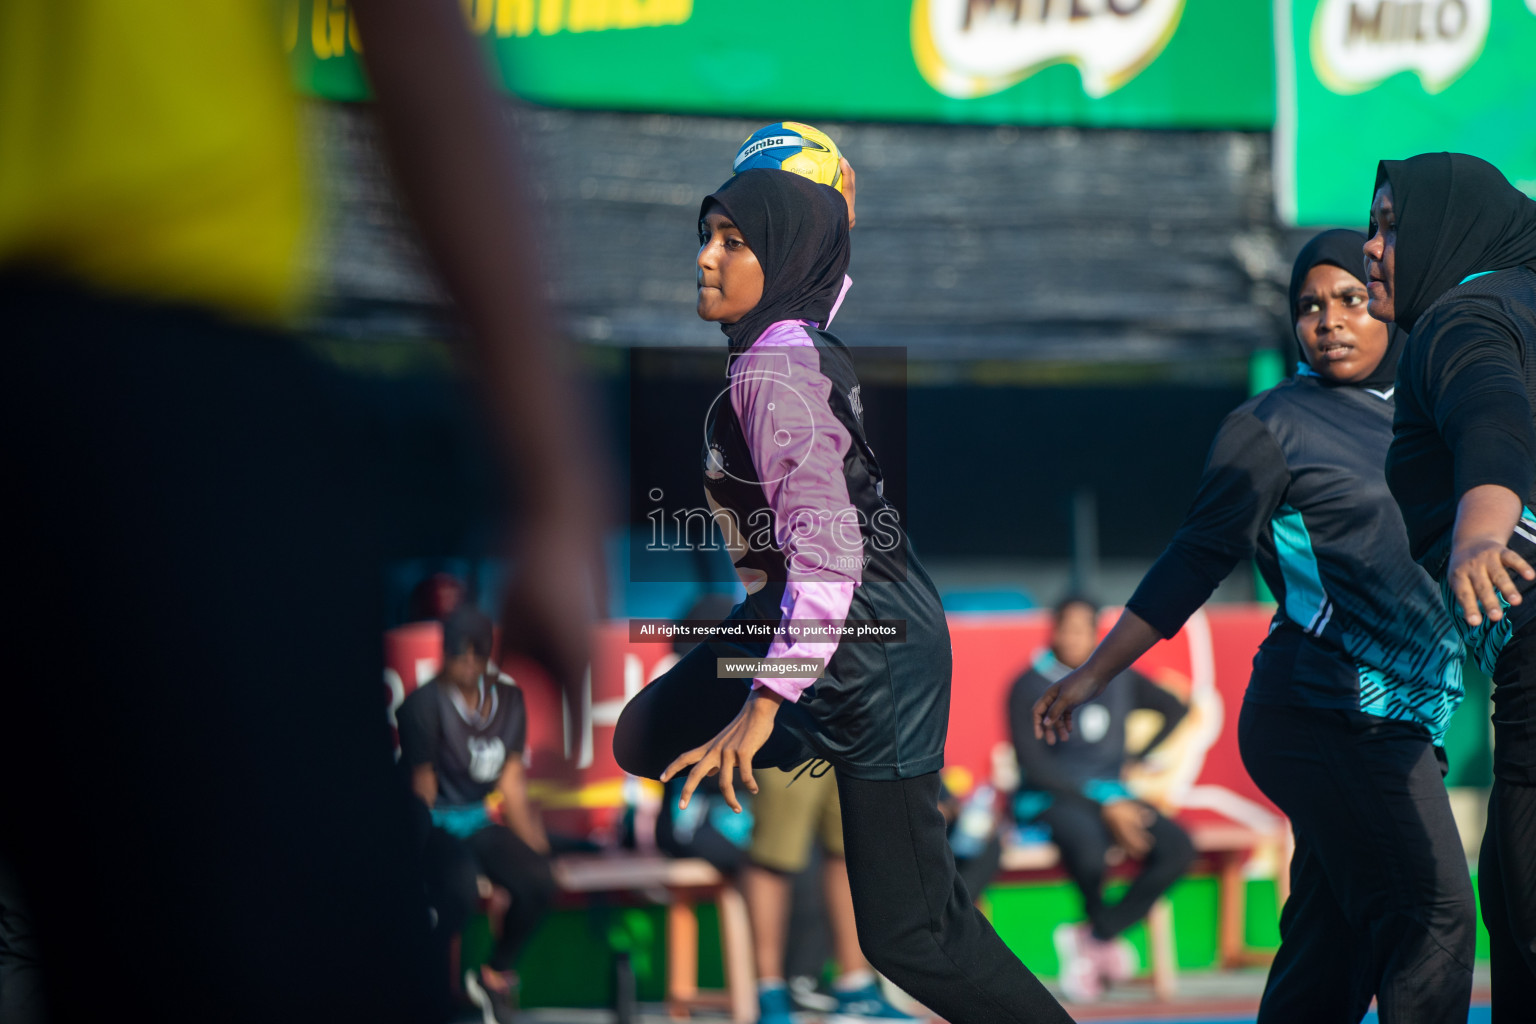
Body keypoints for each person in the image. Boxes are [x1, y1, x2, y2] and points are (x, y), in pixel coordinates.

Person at [0, 3, 603, 1022]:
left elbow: (506, 800)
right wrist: (552, 474)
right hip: (151, 343)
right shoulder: (423, 713)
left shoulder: (486, 707)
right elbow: (412, 37)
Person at [613, 168, 1073, 1024]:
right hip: (819, 627)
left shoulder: (777, 369)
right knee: (646, 735)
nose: (706, 260)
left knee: (912, 936)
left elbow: (829, 558)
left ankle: (801, 722)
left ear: (781, 259)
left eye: (734, 242)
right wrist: (828, 214)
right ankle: (804, 723)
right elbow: (818, 270)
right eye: (705, 237)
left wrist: (762, 705)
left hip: (874, 651)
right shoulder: (785, 342)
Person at [1034, 230, 1474, 1023]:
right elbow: (1192, 562)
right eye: (1310, 306)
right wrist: (1094, 672)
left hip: (1408, 718)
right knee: (1433, 914)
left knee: (1329, 942)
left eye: (1351, 299)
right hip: (1326, 715)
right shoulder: (1274, 426)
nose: (1330, 321)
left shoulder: (1439, 408)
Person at [1367, 152, 1536, 1020]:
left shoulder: (1464, 317)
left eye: (1393, 225)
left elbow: (1492, 413)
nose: (1372, 247)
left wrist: (1479, 533)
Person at [1008, 595, 1193, 1003]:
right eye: (1065, 626)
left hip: (1115, 794)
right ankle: (1098, 940)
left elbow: (1177, 707)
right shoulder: (1029, 684)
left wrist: (1140, 758)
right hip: (1053, 796)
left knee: (1177, 847)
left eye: (1082, 628)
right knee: (1088, 845)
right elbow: (1035, 768)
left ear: (1097, 633)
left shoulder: (1116, 676)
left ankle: (1096, 935)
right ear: (1052, 628)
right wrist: (1103, 805)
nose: (1072, 636)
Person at [399, 606, 555, 1024]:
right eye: (458, 653)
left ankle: (493, 973)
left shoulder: (509, 700)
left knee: (537, 881)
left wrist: (538, 853)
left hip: (476, 818)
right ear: (444, 655)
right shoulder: (422, 705)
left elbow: (512, 786)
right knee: (457, 887)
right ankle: (422, 985)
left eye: (476, 653)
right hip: (431, 821)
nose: (468, 663)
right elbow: (421, 788)